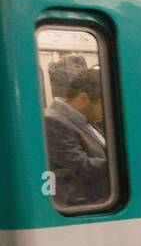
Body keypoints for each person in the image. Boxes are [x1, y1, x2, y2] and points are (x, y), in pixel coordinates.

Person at [43, 72, 109, 207]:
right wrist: (122, 164)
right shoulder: (52, 121)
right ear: (83, 98)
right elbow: (80, 166)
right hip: (81, 205)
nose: (107, 110)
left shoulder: (86, 120)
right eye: (104, 104)